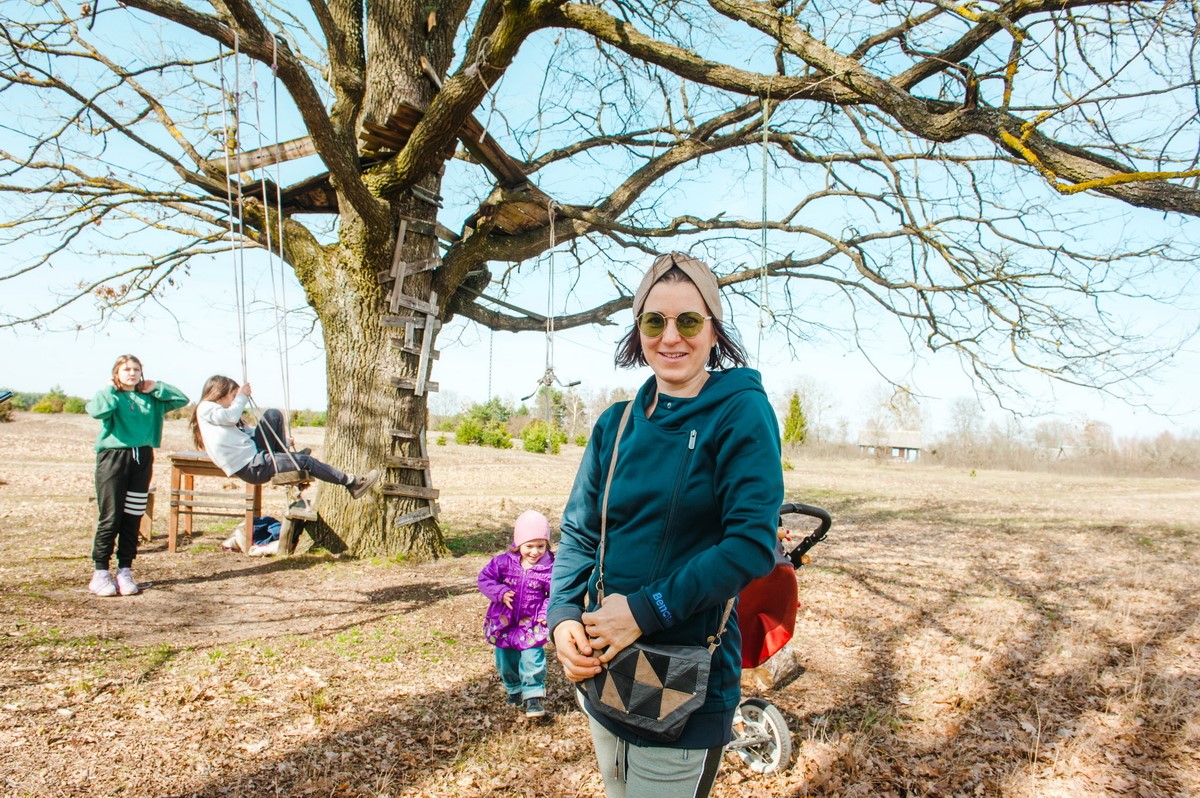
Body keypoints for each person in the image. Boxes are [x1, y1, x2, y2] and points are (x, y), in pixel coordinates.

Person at [548, 252, 783, 798]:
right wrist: (561, 616)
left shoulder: (740, 412)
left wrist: (642, 611)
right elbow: (581, 533)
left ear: (713, 330)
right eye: (655, 321)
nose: (671, 337)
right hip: (604, 674)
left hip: (683, 684)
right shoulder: (616, 422)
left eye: (689, 321)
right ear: (638, 330)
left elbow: (749, 545)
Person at [85, 354, 189, 597]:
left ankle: (125, 570)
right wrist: (111, 389)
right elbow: (97, 411)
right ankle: (100, 573)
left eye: (136, 369)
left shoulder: (150, 398)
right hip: (113, 458)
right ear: (116, 373)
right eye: (126, 369)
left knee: (133, 516)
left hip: (142, 458)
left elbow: (181, 399)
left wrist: (157, 386)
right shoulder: (110, 395)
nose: (131, 373)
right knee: (111, 517)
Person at [188, 375, 379, 497]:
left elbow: (252, 435)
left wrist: (282, 441)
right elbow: (230, 416)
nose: (236, 401)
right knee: (306, 461)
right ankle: (352, 483)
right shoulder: (207, 407)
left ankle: (285, 455)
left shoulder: (225, 415)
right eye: (233, 396)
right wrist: (242, 396)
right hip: (252, 466)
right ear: (221, 394)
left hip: (256, 456)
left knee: (273, 414)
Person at [477, 510, 555, 719]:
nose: (535, 552)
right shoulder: (502, 563)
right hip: (504, 621)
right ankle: (515, 690)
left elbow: (554, 592)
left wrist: (545, 610)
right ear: (518, 543)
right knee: (505, 659)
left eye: (541, 546)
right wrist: (500, 592)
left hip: (532, 622)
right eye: (529, 546)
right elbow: (484, 580)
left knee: (533, 657)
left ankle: (533, 696)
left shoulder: (550, 567)